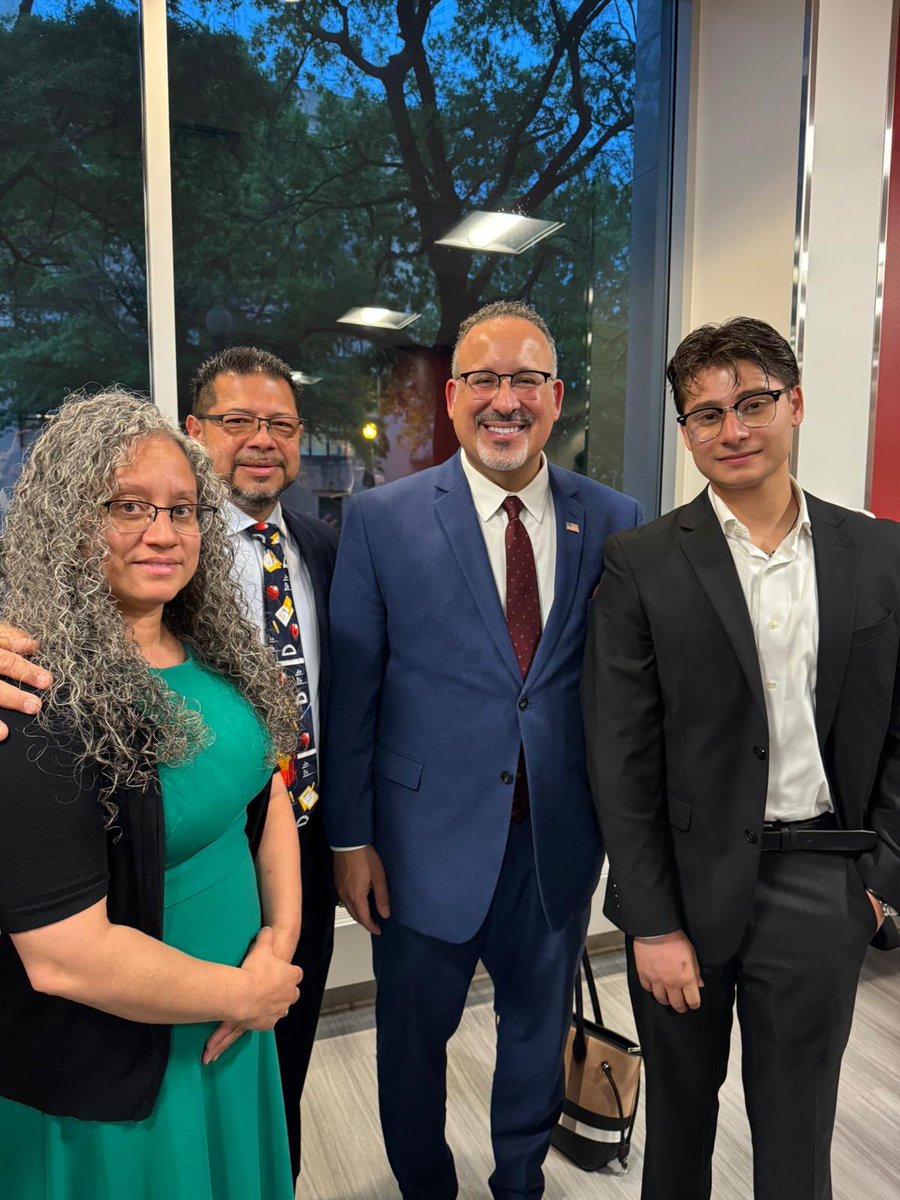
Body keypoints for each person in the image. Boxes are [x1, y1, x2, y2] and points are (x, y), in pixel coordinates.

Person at [325, 300, 642, 1200]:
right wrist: (351, 842)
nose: (506, 400)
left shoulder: (613, 519)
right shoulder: (383, 520)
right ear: (454, 396)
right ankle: (427, 1186)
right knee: (411, 1047)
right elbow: (355, 697)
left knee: (536, 1038)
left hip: (554, 844)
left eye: (526, 381)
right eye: (485, 380)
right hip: (420, 847)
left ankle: (519, 1183)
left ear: (557, 396)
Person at [0, 347, 338, 1181]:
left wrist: (278, 942)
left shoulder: (217, 653)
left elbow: (268, 798)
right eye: (127, 507)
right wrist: (242, 995)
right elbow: (61, 955)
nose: (163, 531)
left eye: (184, 511)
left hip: (236, 1021)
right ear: (67, 521)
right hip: (123, 1063)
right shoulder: (36, 693)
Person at [581, 316, 900, 1200]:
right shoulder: (641, 563)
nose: (732, 431)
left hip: (821, 884)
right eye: (705, 414)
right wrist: (649, 922)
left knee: (797, 1139)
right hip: (683, 889)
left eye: (752, 404)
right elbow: (621, 753)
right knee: (679, 1133)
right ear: (685, 432)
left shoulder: (879, 555)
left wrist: (876, 879)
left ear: (793, 404)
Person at [185, 347, 338, 1180]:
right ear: (195, 430)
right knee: (203, 1061)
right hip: (203, 852)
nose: (261, 440)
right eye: (238, 421)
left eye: (279, 424)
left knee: (289, 1051)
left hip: (306, 838)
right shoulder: (160, 548)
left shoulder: (322, 546)